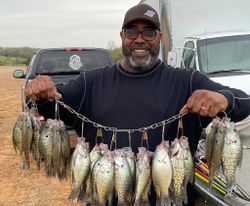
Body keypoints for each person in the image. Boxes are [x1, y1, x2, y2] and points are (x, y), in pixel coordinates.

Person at [25, 3, 250, 206]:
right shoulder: (91, 82)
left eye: (149, 32)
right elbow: (50, 104)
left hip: (171, 200)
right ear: (122, 36)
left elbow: (244, 102)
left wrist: (225, 99)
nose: (140, 39)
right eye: (132, 31)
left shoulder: (186, 81)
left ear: (159, 37)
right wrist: (40, 91)